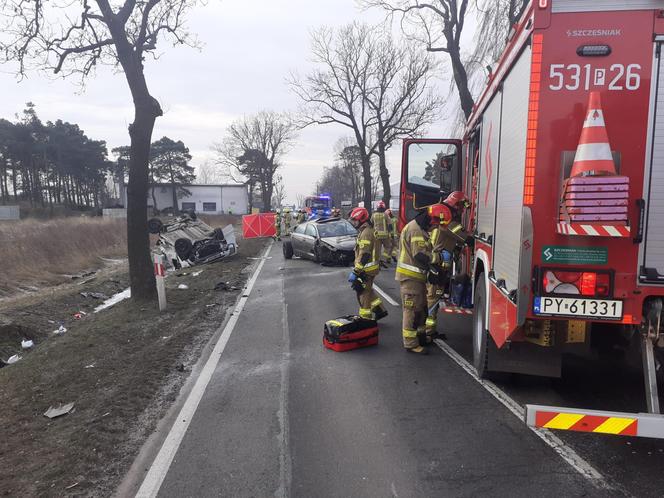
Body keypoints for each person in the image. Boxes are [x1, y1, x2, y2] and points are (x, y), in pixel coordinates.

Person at [395, 208, 435, 354]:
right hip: (410, 278)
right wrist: (436, 261)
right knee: (411, 311)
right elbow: (419, 255)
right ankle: (411, 344)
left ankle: (420, 337)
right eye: (434, 224)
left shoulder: (418, 227)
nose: (434, 227)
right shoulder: (416, 230)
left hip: (416, 278)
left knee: (421, 309)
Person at [348, 207, 388, 321]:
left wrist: (356, 271)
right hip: (368, 268)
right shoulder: (366, 230)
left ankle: (365, 319)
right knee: (368, 290)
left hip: (366, 269)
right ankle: (380, 310)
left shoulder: (366, 233)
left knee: (363, 294)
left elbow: (364, 254)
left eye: (355, 220)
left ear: (362, 220)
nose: (354, 223)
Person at [371, 201, 390, 267]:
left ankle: (376, 263)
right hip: (385, 235)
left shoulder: (374, 215)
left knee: (376, 250)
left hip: (376, 235)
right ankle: (382, 259)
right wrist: (391, 233)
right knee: (387, 247)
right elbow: (389, 225)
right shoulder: (385, 215)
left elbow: (371, 224)